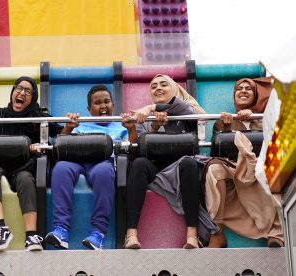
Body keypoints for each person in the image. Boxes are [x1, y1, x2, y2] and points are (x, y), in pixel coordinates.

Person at [124, 74, 217, 250]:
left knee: (189, 164)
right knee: (138, 164)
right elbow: (136, 151)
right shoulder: (144, 118)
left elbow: (187, 111)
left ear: (173, 89)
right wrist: (153, 127)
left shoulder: (185, 109)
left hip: (181, 165)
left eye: (163, 84)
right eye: (153, 86)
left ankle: (192, 235)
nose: (158, 88)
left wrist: (150, 107)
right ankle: (131, 235)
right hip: (156, 165)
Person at [45, 84, 140, 250]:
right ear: (89, 109)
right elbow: (61, 146)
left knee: (105, 173)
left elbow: (132, 150)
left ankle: (98, 234)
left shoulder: (120, 125)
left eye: (107, 101)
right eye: (97, 103)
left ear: (113, 105)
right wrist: (68, 127)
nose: (103, 106)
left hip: (102, 162)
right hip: (77, 160)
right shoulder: (81, 124)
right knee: (60, 168)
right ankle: (61, 230)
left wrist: (131, 129)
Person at [0, 76, 64, 251]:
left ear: (33, 97)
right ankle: (1, 229)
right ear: (12, 92)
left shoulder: (39, 118)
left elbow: (62, 134)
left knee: (25, 179)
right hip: (0, 165)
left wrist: (71, 124)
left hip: (25, 168)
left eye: (28, 91)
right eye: (18, 88)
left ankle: (31, 236)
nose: (22, 93)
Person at [204, 77, 284, 248]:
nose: (244, 91)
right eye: (240, 88)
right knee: (213, 169)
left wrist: (254, 119)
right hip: (235, 169)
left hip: (262, 167)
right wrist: (226, 128)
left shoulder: (266, 118)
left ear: (255, 95)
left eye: (249, 89)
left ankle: (276, 234)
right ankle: (217, 232)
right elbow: (217, 153)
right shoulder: (224, 120)